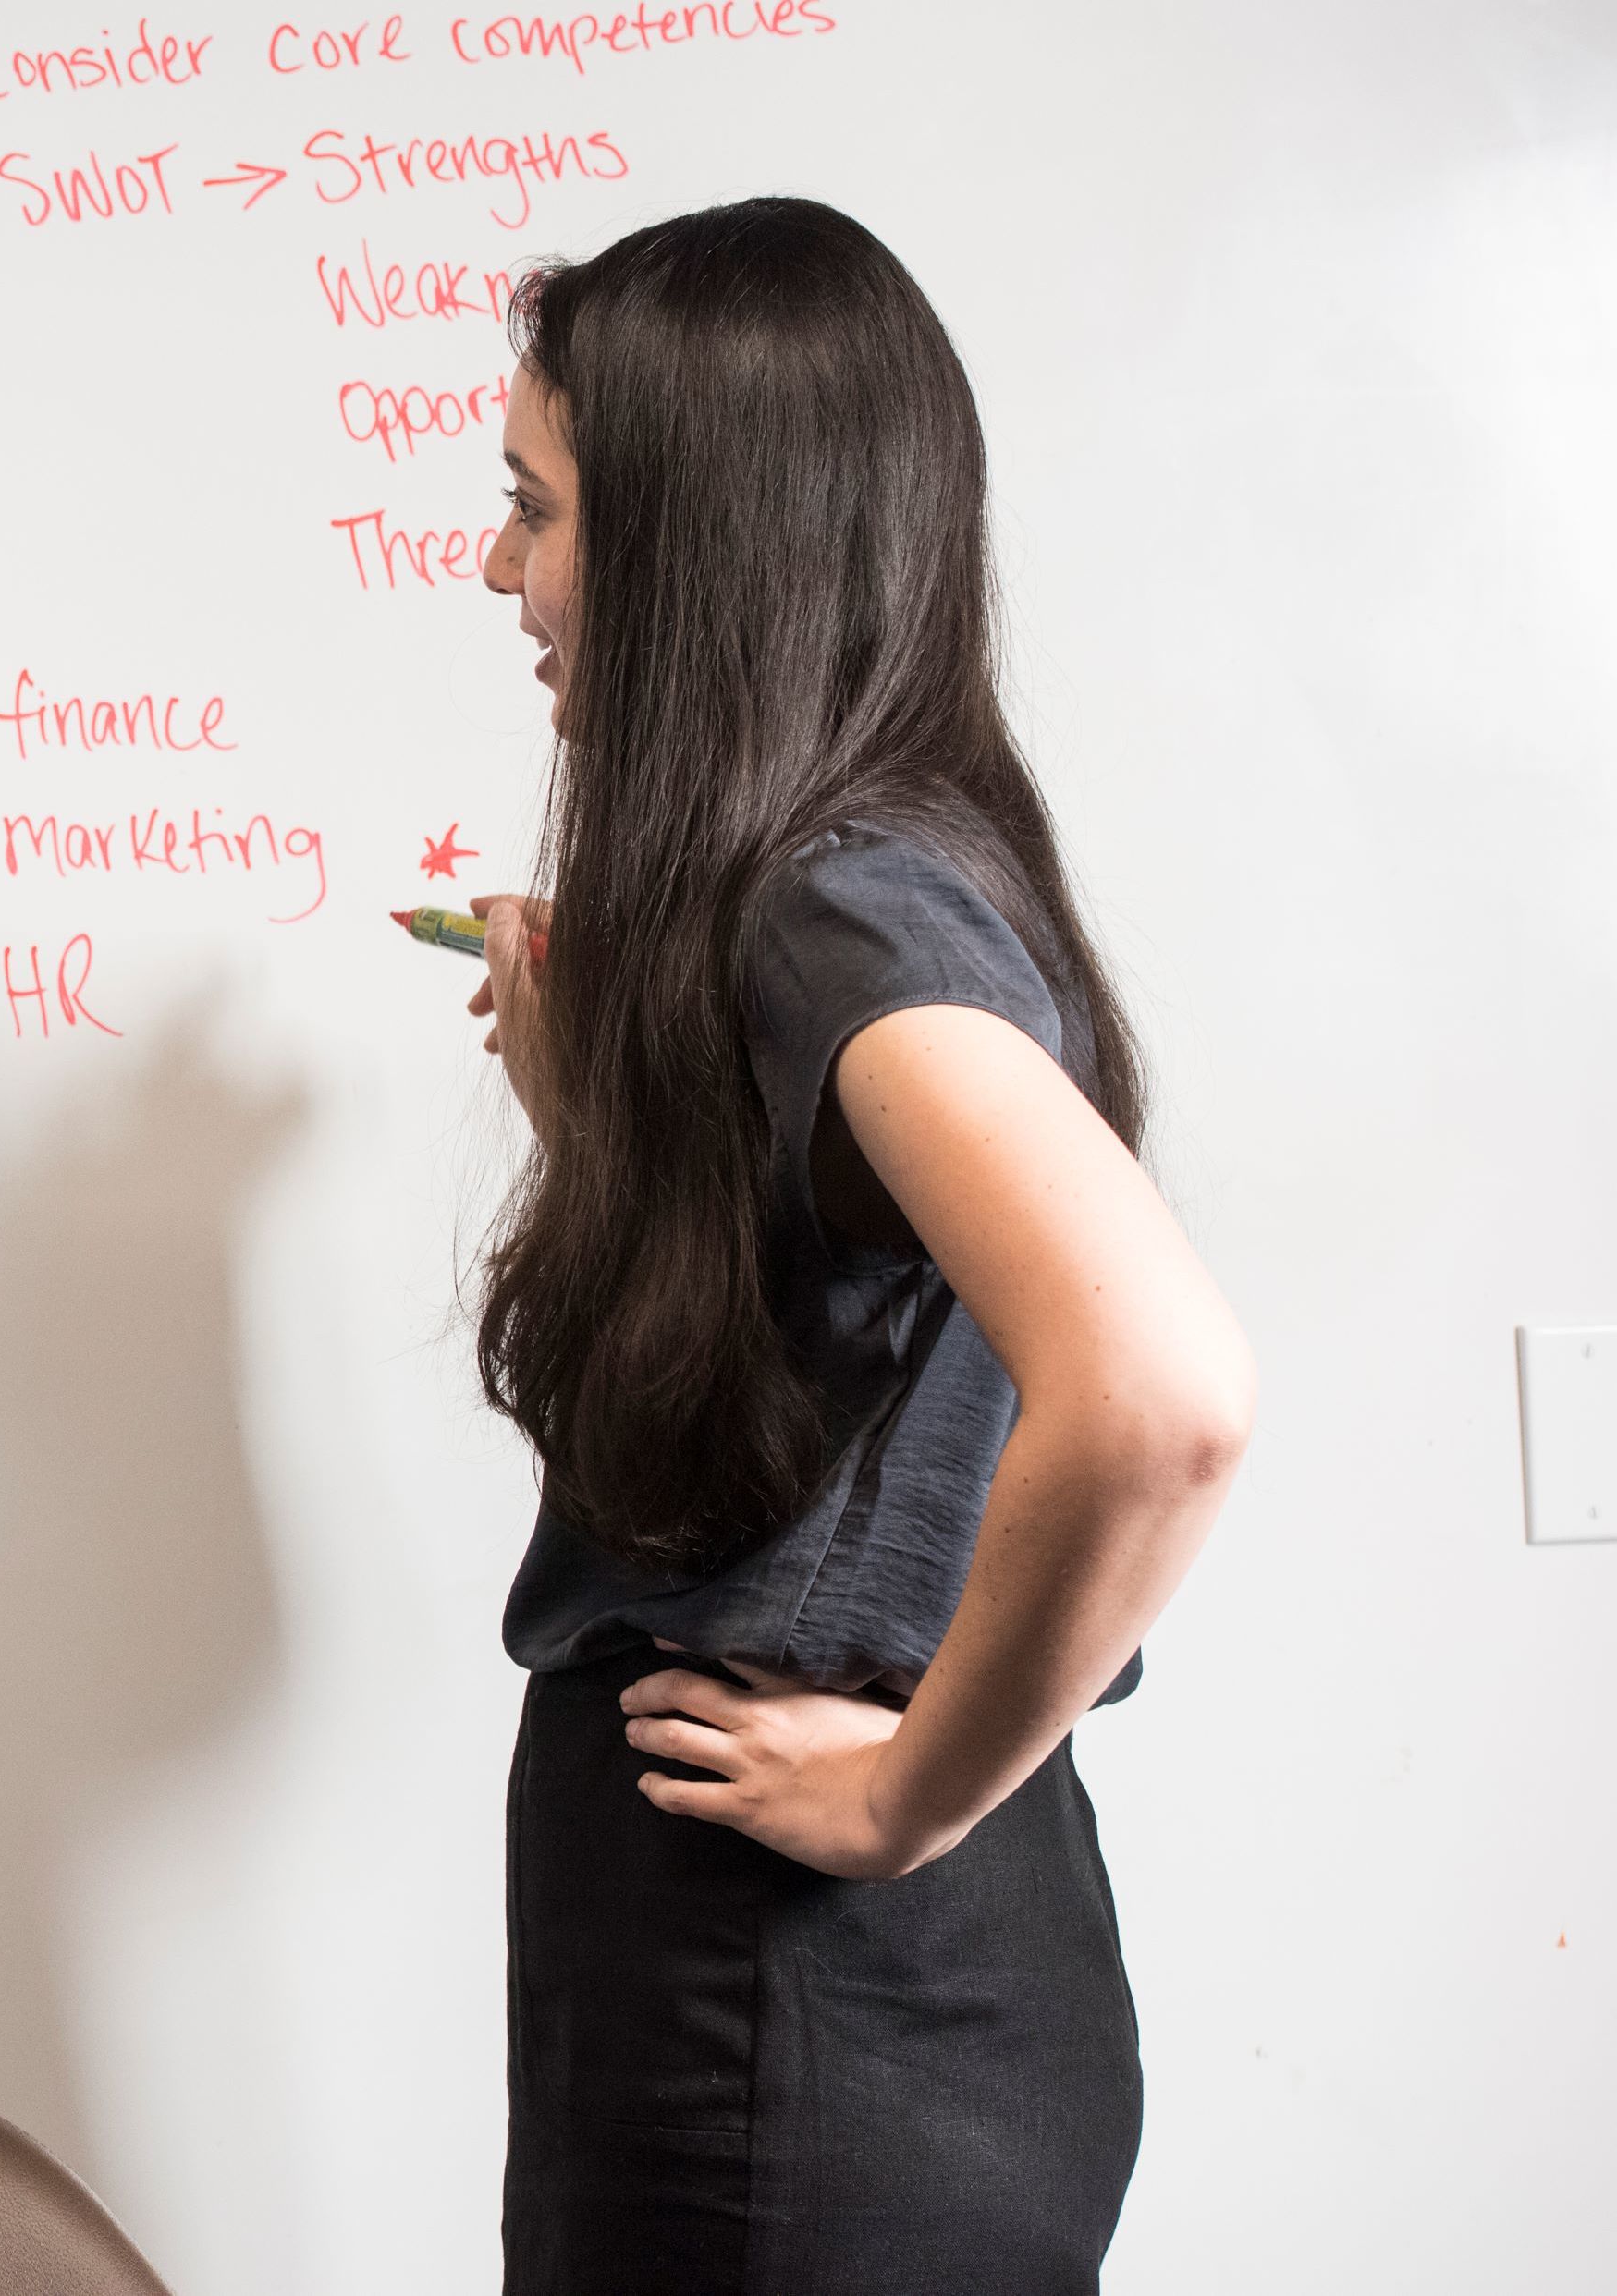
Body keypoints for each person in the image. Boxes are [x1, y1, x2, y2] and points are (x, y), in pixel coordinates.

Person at [460, 200, 1254, 2292]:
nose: (497, 572)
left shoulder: (842, 910)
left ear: (695, 544)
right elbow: (832, 1377)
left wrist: (906, 1796)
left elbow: (1162, 1397)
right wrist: (602, 1117)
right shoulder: (888, 875)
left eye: (533, 513)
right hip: (831, 2001)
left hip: (796, 2007)